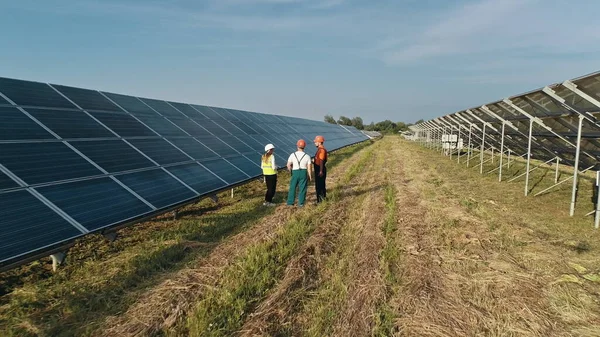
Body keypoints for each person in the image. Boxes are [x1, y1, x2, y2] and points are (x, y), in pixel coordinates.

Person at [287, 139, 312, 207]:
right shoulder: (307, 156)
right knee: (303, 188)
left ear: (297, 146)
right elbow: (309, 168)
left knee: (292, 187)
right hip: (303, 172)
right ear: (304, 147)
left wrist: (291, 171)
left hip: (295, 172)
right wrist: (310, 176)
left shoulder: (292, 155)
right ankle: (301, 203)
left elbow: (288, 165)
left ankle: (290, 203)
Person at [313, 135, 328, 203]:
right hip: (319, 169)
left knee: (320, 186)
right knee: (319, 185)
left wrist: (321, 171)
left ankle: (321, 201)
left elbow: (321, 160)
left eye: (315, 142)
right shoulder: (319, 150)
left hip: (320, 170)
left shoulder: (321, 150)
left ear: (319, 142)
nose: (315, 143)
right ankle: (320, 200)